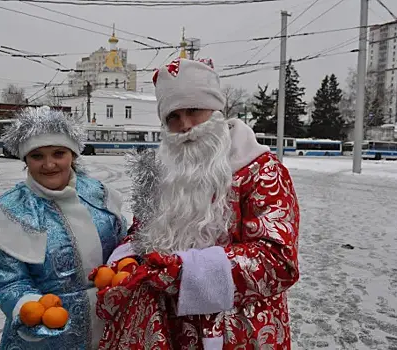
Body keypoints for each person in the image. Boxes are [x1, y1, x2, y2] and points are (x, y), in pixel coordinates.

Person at [95, 57, 300, 349]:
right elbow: (140, 234)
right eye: (173, 117)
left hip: (240, 332)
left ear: (216, 110)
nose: (185, 126)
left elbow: (278, 262)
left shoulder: (262, 171)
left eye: (194, 110)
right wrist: (125, 261)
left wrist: (182, 270)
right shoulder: (162, 174)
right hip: (169, 330)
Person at [0, 106, 127, 349]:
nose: (49, 164)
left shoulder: (100, 195)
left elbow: (122, 248)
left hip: (109, 324)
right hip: (48, 337)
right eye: (37, 156)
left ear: (73, 155)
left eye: (58, 153)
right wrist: (30, 308)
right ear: (25, 160)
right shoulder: (10, 212)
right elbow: (8, 281)